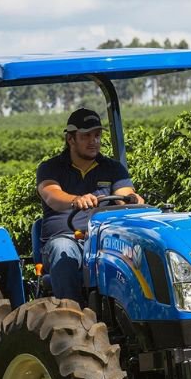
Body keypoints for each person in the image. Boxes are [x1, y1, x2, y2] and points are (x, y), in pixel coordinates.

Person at [36, 108, 144, 305]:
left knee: (138, 253)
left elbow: (124, 195)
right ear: (71, 139)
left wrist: (132, 199)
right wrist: (75, 200)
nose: (93, 141)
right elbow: (52, 195)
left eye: (97, 135)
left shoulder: (112, 168)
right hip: (67, 238)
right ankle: (73, 317)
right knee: (63, 250)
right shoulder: (50, 168)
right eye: (86, 136)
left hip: (105, 240)